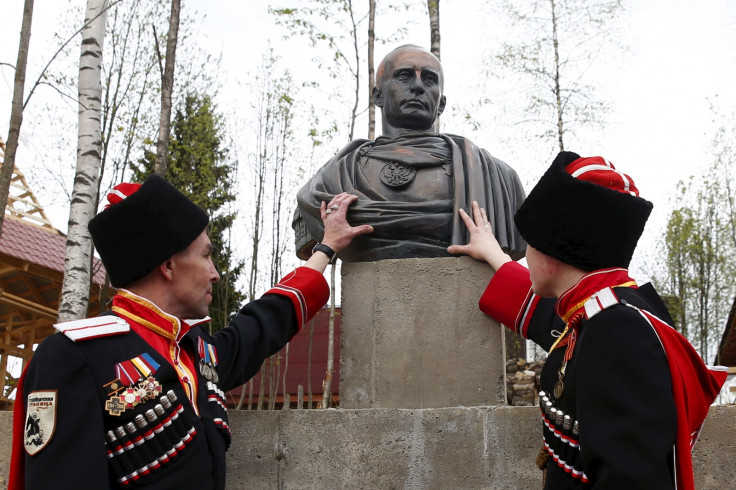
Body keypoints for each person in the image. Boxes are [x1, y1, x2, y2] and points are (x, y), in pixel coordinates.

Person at [9, 175, 372, 489]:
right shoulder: (74, 355)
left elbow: (263, 323)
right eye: (205, 256)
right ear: (167, 265)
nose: (215, 273)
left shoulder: (194, 351)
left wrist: (325, 249)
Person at [449, 151, 727, 489]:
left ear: (557, 250)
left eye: (531, 241)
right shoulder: (608, 311)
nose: (525, 251)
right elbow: (556, 322)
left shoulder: (617, 331)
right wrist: (494, 254)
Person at [294, 44, 526, 262]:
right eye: (404, 76)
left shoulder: (497, 178)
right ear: (378, 96)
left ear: (441, 103)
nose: (417, 86)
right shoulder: (330, 180)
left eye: (429, 79)